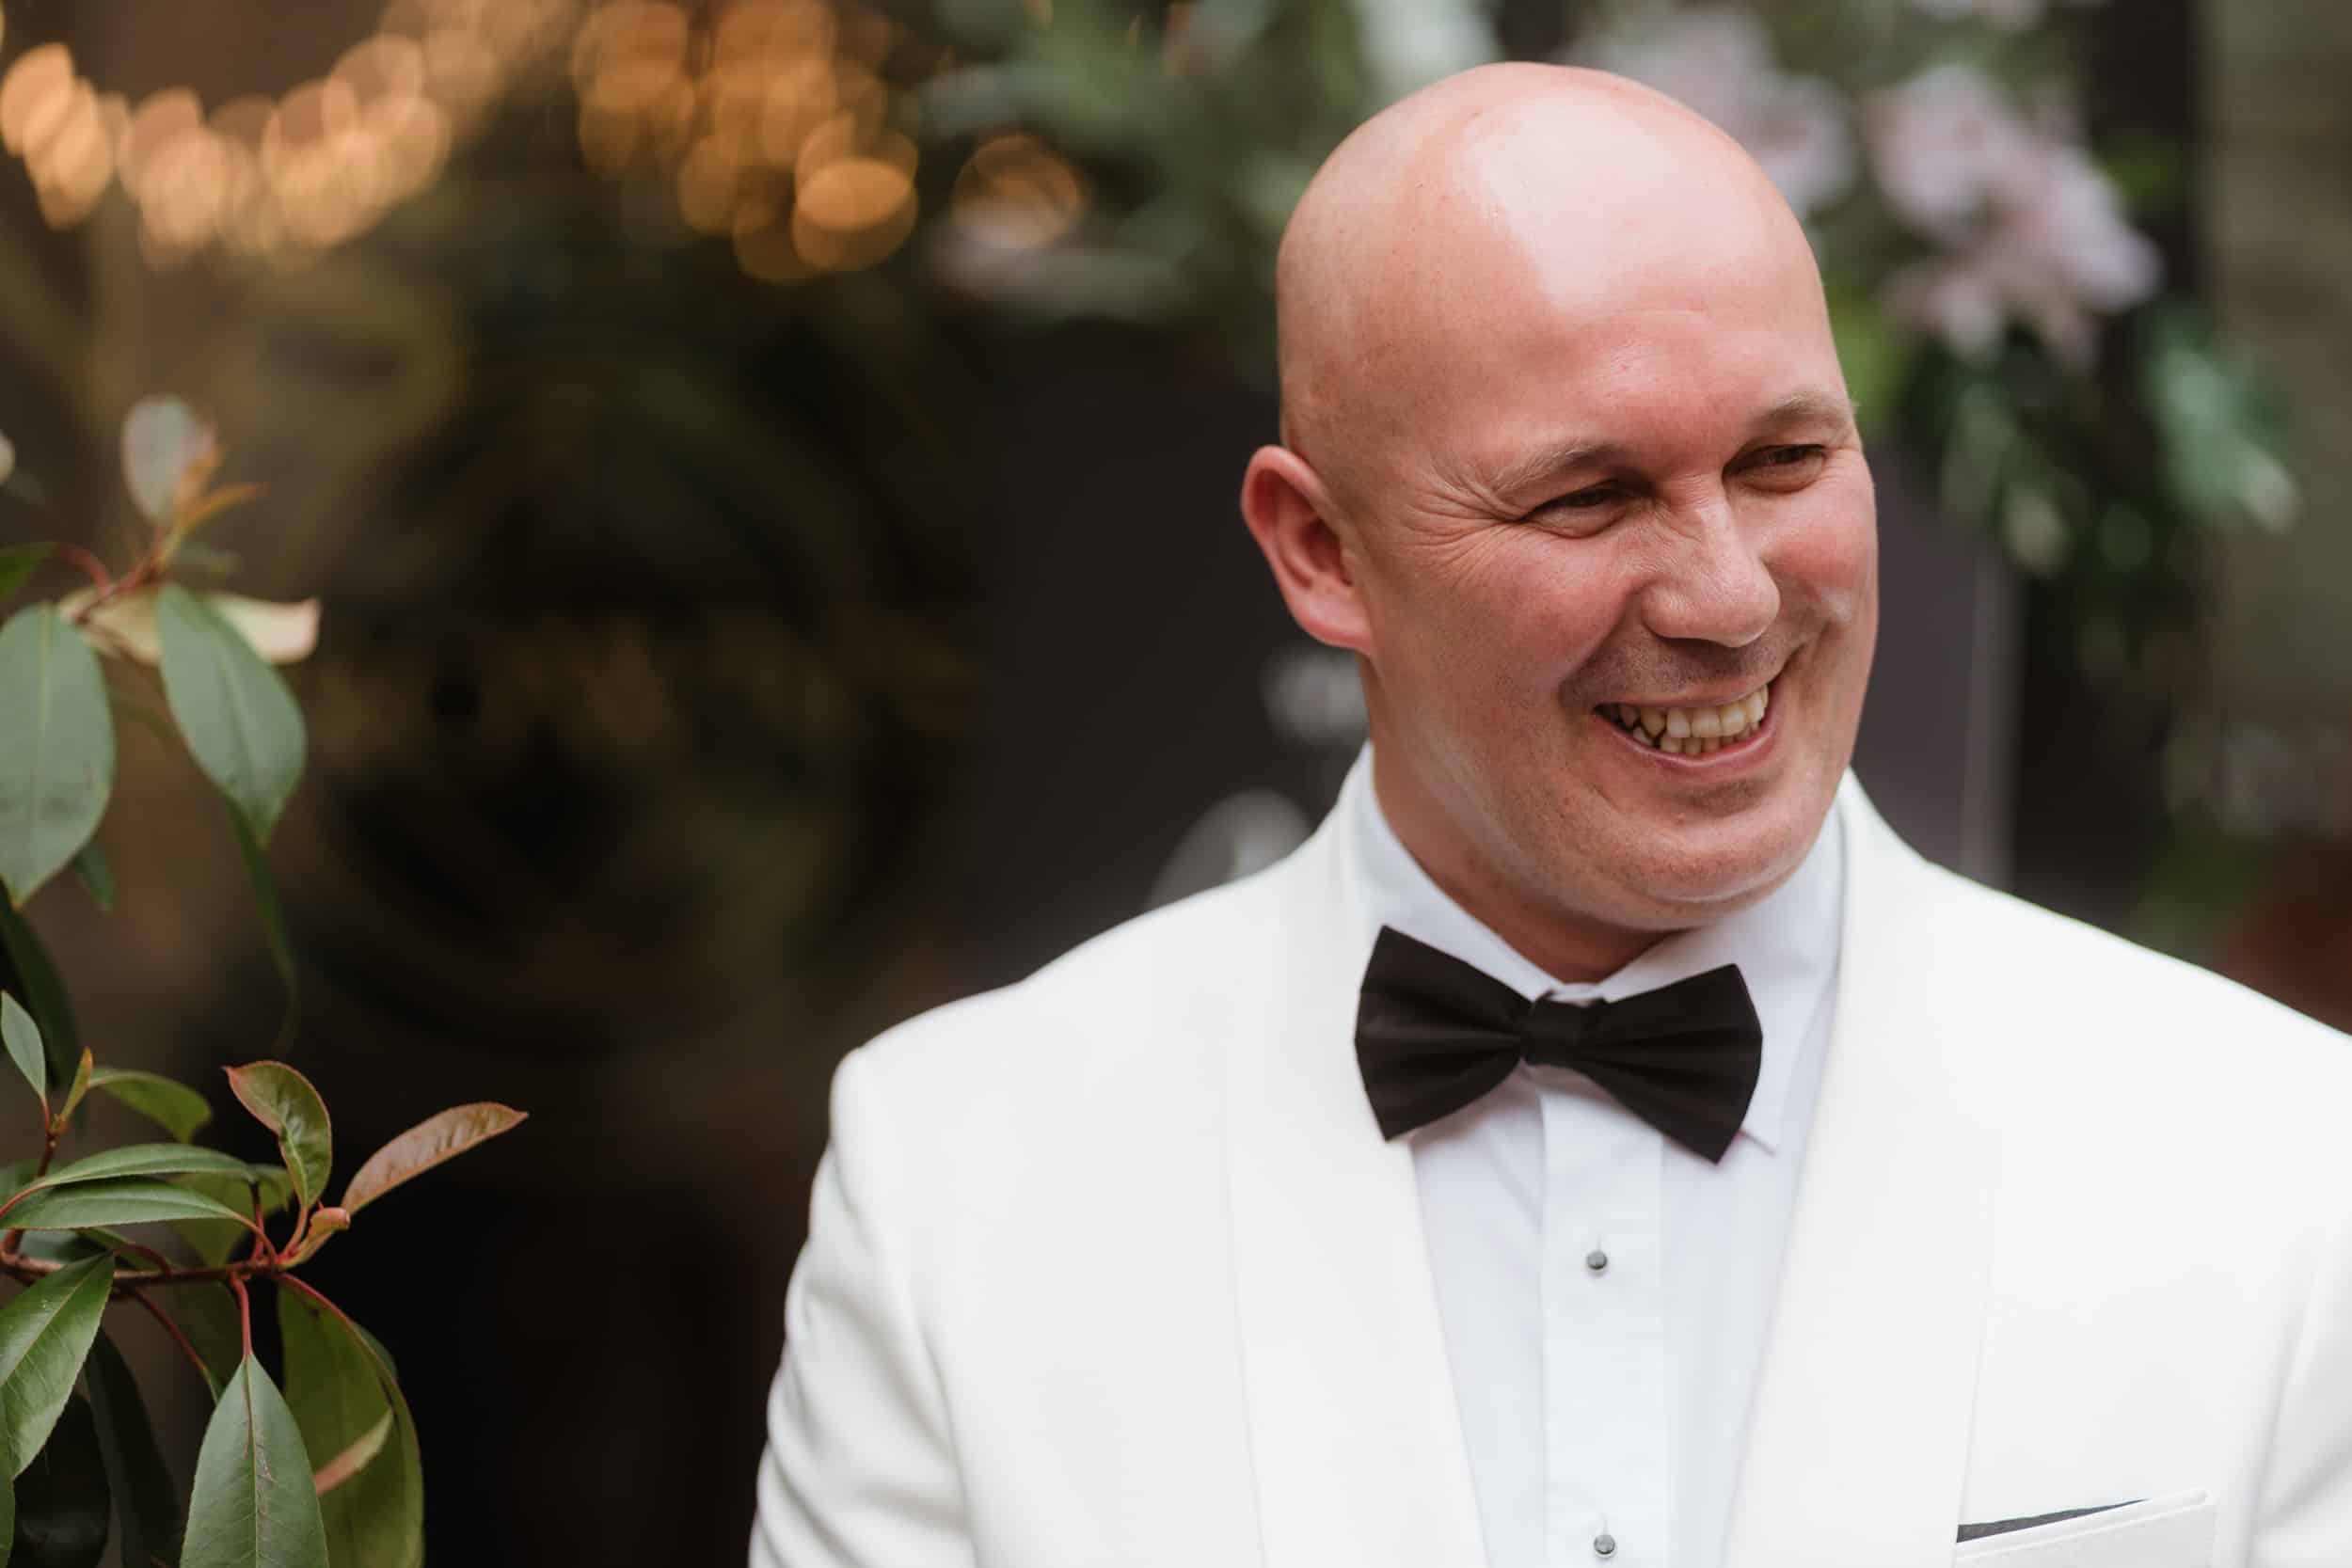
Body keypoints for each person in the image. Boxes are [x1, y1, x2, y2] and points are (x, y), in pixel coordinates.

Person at [749, 63, 2352, 1568]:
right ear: (1320, 552)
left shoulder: (2283, 1160)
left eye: (1786, 458)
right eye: (1589, 497)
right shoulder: (956, 1180)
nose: (1731, 598)